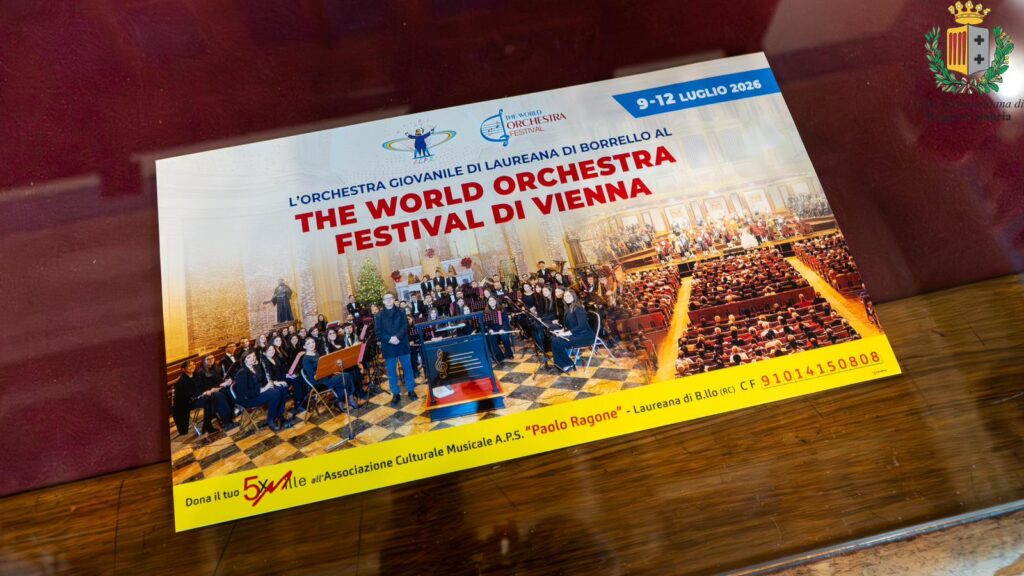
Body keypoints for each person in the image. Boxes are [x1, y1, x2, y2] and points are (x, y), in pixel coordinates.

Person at [375, 292, 418, 405]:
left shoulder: (401, 311)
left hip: (402, 343)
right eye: (386, 299)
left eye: (390, 298)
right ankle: (395, 393)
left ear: (394, 299)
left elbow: (405, 326)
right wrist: (390, 339)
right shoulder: (379, 315)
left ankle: (411, 390)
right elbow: (378, 332)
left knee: (408, 368)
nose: (389, 300)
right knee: (391, 372)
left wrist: (397, 337)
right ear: (383, 301)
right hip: (388, 346)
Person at [231, 350, 288, 432]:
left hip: (257, 392)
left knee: (283, 387)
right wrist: (264, 389)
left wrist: (274, 382)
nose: (252, 358)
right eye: (249, 357)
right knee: (275, 393)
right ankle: (270, 420)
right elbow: (246, 393)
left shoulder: (255, 367)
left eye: (253, 356)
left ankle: (279, 415)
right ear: (244, 360)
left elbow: (264, 381)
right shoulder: (241, 373)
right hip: (248, 399)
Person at [298, 336, 358, 412]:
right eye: (308, 343)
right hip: (318, 382)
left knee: (346, 376)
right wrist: (325, 372)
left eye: (313, 342)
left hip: (326, 376)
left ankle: (343, 401)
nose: (312, 344)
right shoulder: (306, 359)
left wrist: (331, 371)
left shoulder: (316, 354)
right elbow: (313, 376)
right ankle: (347, 400)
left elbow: (325, 367)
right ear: (304, 347)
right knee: (345, 377)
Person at [550, 290, 596, 373]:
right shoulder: (568, 308)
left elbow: (582, 326)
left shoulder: (578, 308)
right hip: (576, 334)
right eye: (565, 296)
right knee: (553, 338)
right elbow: (570, 325)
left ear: (574, 297)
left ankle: (568, 364)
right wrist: (561, 331)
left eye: (569, 296)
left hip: (585, 336)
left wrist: (565, 333)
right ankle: (561, 364)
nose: (566, 298)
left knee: (557, 341)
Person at [484, 296, 513, 363]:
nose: (492, 301)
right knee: (490, 339)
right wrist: (490, 329)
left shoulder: (502, 309)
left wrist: (503, 329)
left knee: (504, 337)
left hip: (502, 328)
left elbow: (506, 321)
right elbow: (486, 324)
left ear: (495, 301)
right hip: (493, 329)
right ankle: (500, 356)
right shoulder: (486, 312)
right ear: (488, 303)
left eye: (493, 300)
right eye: (490, 301)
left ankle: (509, 353)